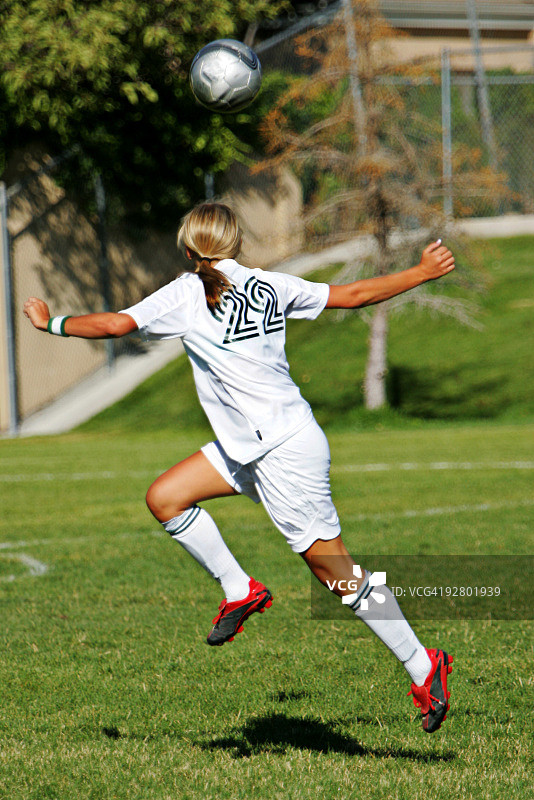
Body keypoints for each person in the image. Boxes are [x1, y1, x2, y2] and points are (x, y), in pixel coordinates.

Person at [24, 202, 455, 733]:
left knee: (335, 575)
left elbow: (116, 324)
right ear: (236, 244)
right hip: (246, 446)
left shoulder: (186, 292)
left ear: (188, 250)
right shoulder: (269, 284)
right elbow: (354, 295)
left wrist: (52, 323)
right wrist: (422, 271)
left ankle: (422, 664)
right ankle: (239, 590)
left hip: (282, 451)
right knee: (166, 497)